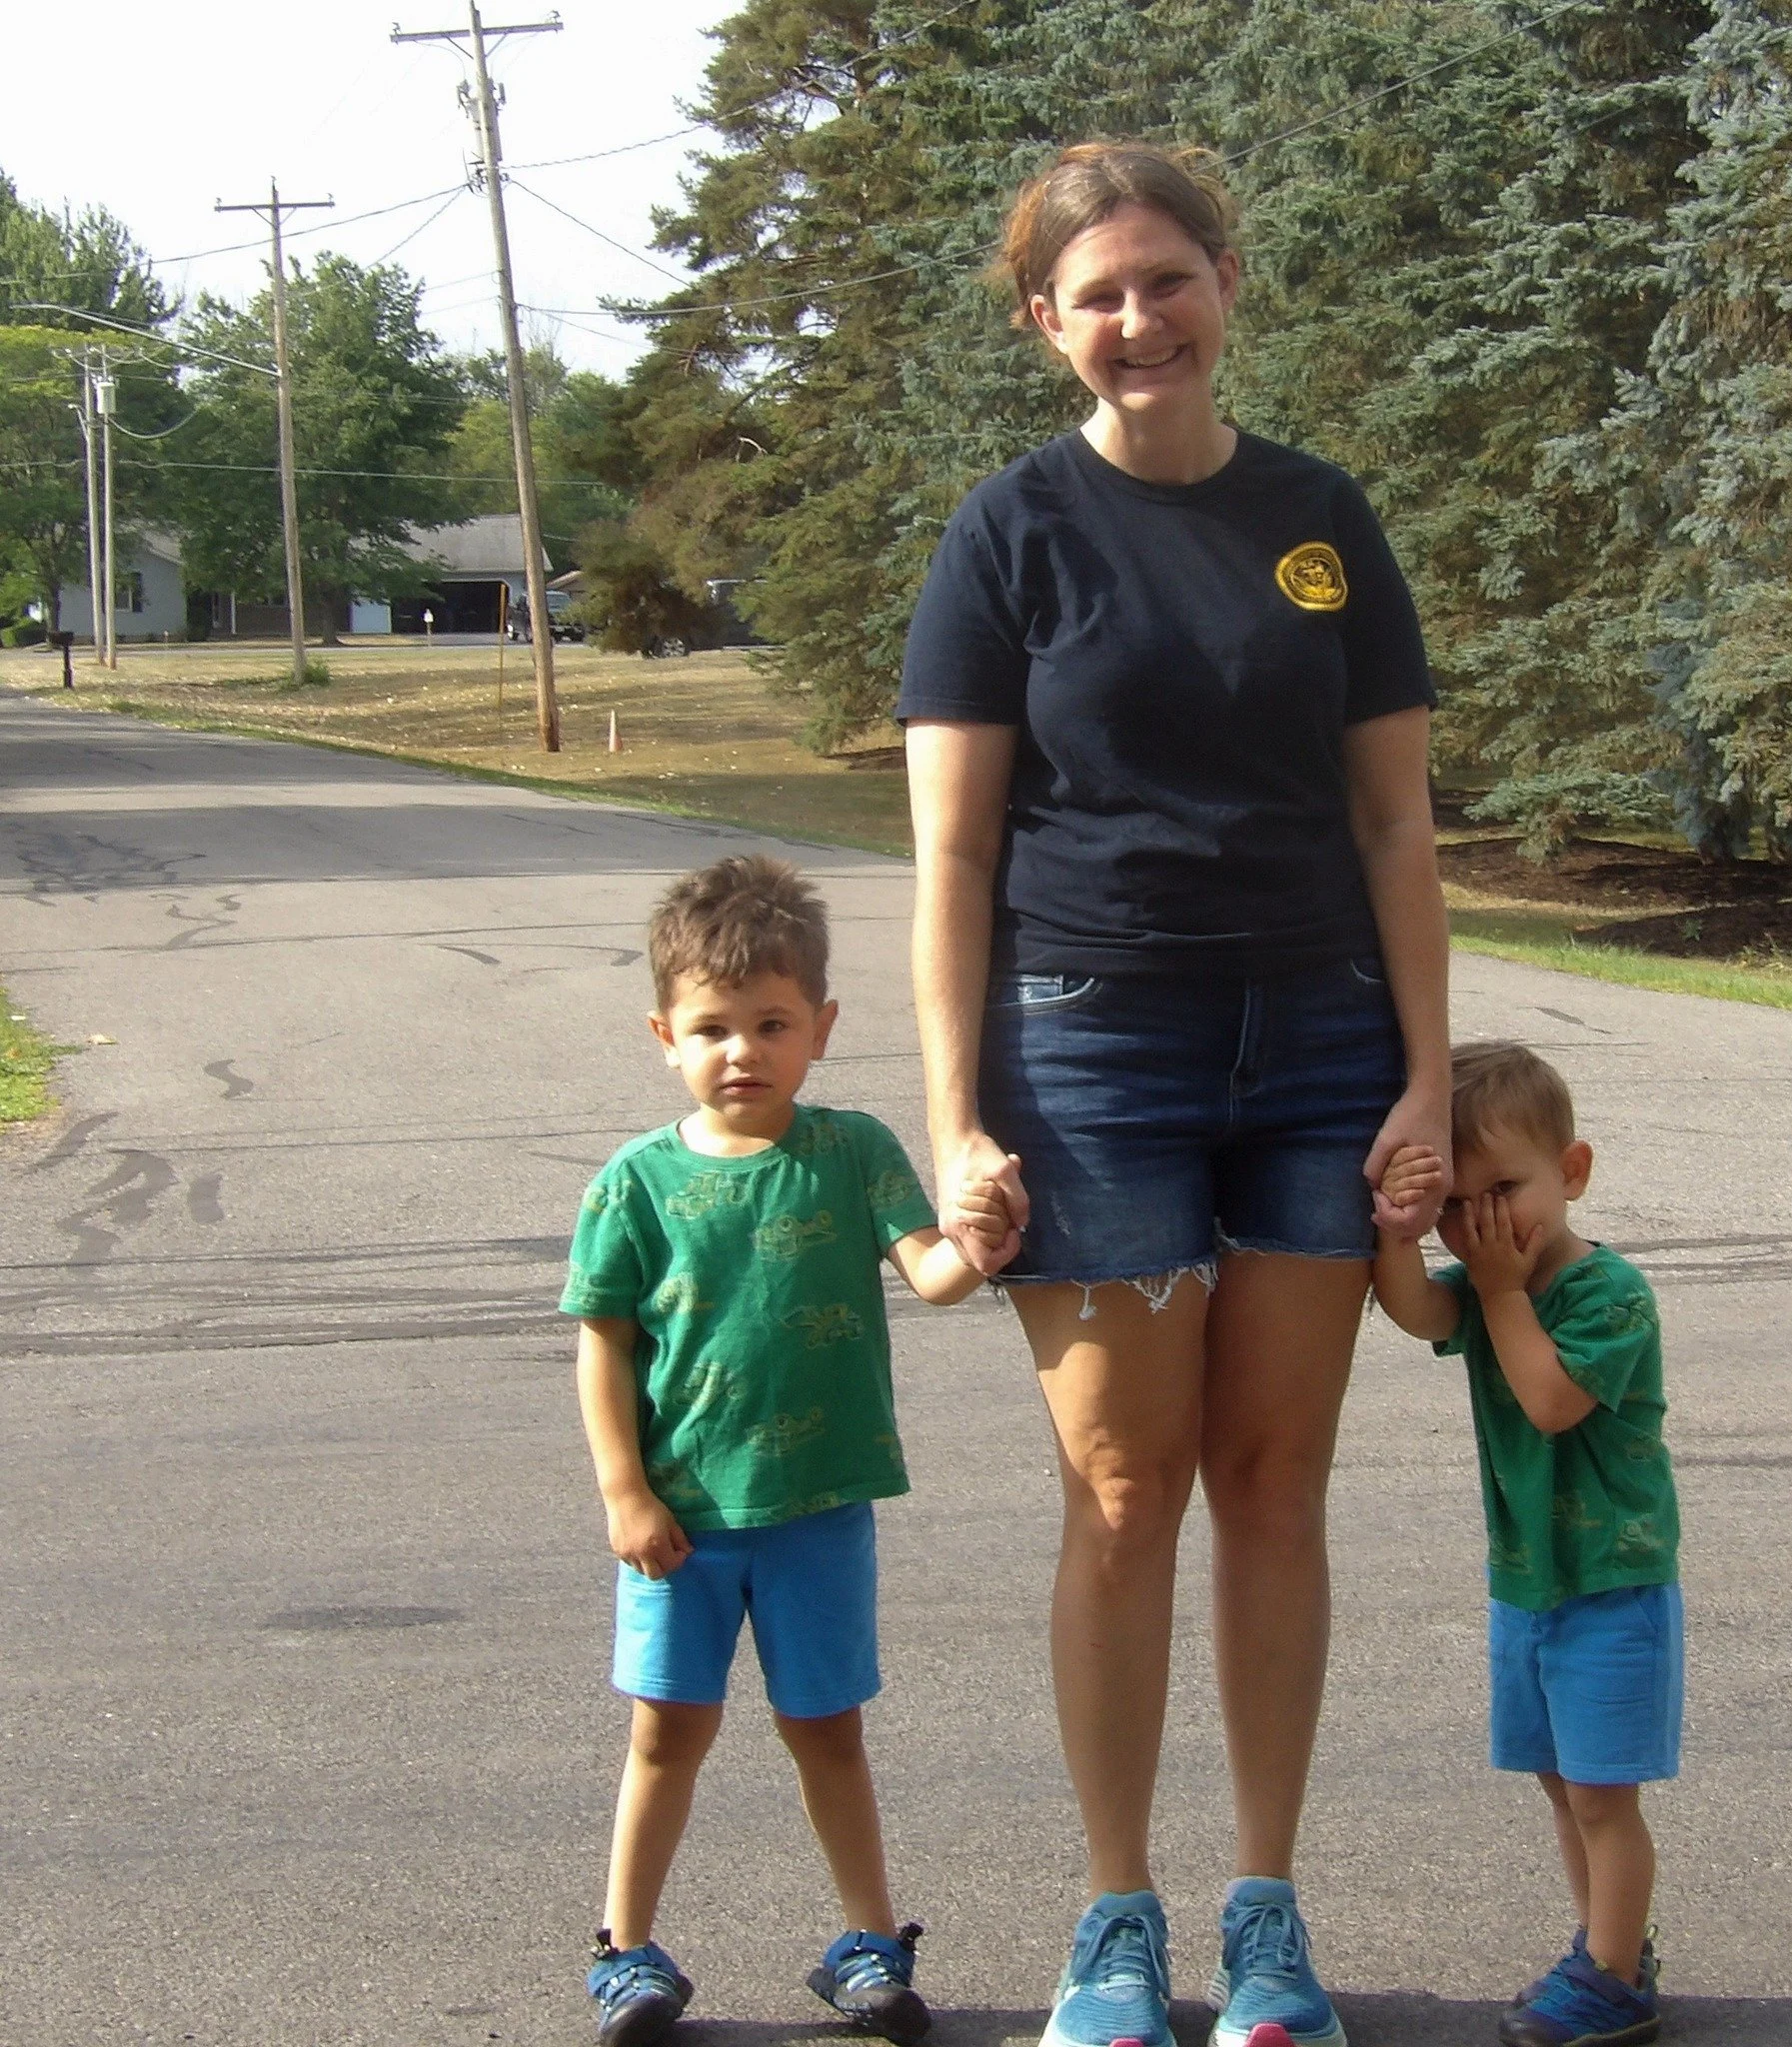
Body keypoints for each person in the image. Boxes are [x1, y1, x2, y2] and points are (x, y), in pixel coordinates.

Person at [896, 141, 1451, 2047]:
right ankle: (1113, 1921)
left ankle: (1266, 1914)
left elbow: (1393, 822)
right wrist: (959, 1112)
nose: (1139, 319)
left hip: (1314, 1040)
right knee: (1124, 1489)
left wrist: (1426, 1080)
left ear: (1226, 279)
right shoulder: (1009, 534)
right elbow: (951, 862)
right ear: (1047, 325)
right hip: (1090, 1040)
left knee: (1273, 1480)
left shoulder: (1322, 518)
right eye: (1096, 294)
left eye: (1165, 278)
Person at [562, 856, 1005, 2047]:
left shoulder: (852, 1151)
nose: (741, 1050)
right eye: (711, 1027)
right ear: (664, 1033)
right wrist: (622, 1487)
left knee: (827, 1727)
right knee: (667, 1727)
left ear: (821, 1026)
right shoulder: (635, 1185)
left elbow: (933, 1274)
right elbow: (601, 1346)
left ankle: (868, 1939)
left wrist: (984, 1239)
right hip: (682, 1520)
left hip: (819, 1508)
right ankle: (626, 1949)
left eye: (770, 1023)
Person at [1370, 1042, 1683, 2047]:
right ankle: (1606, 1943)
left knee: (1601, 1795)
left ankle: (1611, 1975)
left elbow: (1549, 1400)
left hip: (1611, 1582)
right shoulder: (1475, 1274)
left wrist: (1499, 1289)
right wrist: (1396, 1228)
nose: (1483, 1223)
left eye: (1505, 1188)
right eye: (1459, 1205)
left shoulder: (1605, 1292)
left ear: (1572, 1170)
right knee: (1562, 1784)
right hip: (1528, 1579)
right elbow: (1414, 1304)